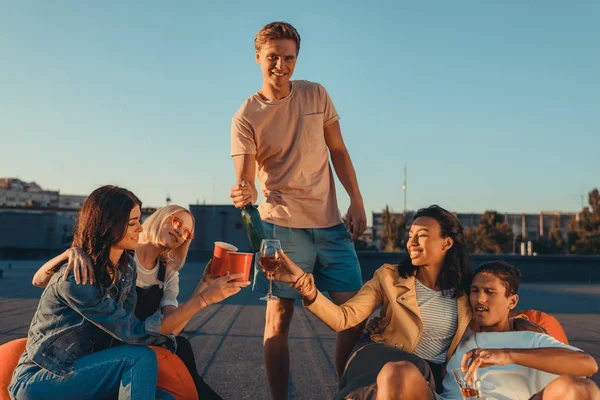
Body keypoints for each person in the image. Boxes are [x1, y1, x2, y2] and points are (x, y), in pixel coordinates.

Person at [229, 21, 366, 399]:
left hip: (331, 226)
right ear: (258, 57)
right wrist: (244, 191)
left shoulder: (316, 95)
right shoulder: (246, 116)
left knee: (354, 317)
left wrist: (356, 198)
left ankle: (347, 391)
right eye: (273, 58)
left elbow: (337, 150)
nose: (281, 66)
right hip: (281, 227)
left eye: (288, 58)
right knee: (278, 320)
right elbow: (245, 178)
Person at [9, 186, 248, 400]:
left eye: (187, 233)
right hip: (46, 376)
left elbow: (141, 329)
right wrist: (204, 299)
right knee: (139, 357)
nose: (140, 228)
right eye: (133, 223)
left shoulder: (126, 270)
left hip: (93, 364)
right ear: (109, 224)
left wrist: (205, 285)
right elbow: (133, 332)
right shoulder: (79, 275)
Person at [264, 204, 473, 399]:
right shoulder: (389, 277)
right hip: (380, 357)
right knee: (399, 373)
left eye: (423, 235)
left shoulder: (467, 291)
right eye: (410, 236)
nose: (412, 243)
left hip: (429, 375)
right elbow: (343, 318)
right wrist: (303, 284)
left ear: (447, 242)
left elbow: (498, 320)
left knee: (412, 372)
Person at [374, 261, 600, 400]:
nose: (480, 299)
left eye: (490, 292)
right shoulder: (457, 333)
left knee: (580, 390)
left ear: (512, 302)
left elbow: (588, 365)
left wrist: (507, 355)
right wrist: (380, 324)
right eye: (475, 290)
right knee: (396, 372)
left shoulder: (532, 339)